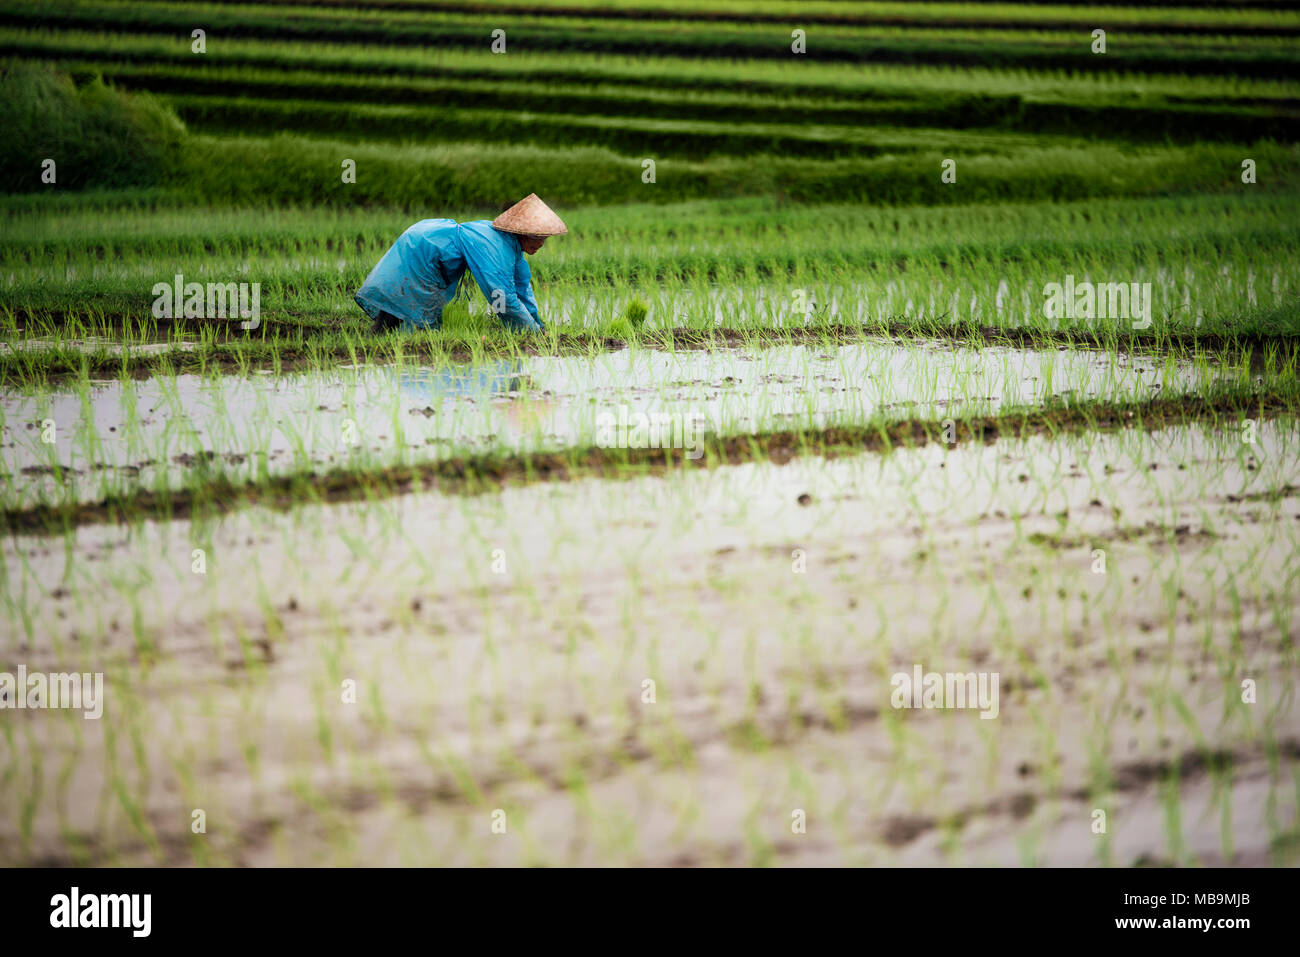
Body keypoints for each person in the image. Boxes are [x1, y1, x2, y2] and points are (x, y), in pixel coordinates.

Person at [354, 193, 566, 334]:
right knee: (413, 305)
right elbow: (500, 295)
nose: (541, 244)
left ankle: (385, 336)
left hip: (429, 239)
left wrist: (538, 325)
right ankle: (387, 343)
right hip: (427, 246)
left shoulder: (512, 250)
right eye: (537, 237)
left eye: (544, 239)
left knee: (413, 306)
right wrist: (529, 332)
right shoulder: (495, 247)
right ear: (522, 233)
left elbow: (522, 289)